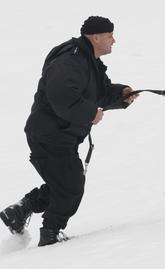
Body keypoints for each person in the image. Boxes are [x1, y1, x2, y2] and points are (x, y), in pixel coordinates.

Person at [0, 16, 138, 246]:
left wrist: (122, 94)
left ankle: (19, 211)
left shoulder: (87, 59)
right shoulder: (71, 61)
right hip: (49, 134)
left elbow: (99, 92)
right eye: (109, 35)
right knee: (71, 186)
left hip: (58, 134)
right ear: (95, 37)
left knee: (65, 183)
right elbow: (61, 96)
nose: (114, 40)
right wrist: (89, 113)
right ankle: (50, 235)